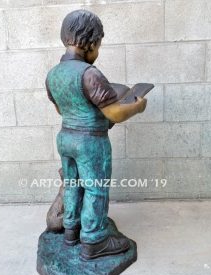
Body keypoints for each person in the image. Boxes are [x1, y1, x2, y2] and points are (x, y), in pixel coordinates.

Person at [45, 9, 147, 260]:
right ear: (90, 42)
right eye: (98, 45)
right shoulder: (90, 73)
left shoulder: (53, 74)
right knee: (96, 189)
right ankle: (93, 240)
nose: (97, 52)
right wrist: (137, 106)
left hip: (65, 138)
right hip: (90, 142)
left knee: (72, 184)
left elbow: (60, 108)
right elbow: (114, 114)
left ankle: (71, 230)